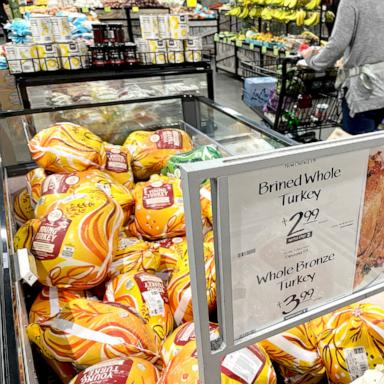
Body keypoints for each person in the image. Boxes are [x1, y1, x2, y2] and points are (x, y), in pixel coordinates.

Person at [302, 0, 384, 135]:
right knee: (374, 149)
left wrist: (312, 60)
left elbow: (337, 45)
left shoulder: (350, 2)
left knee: (356, 150)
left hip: (362, 91)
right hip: (381, 86)